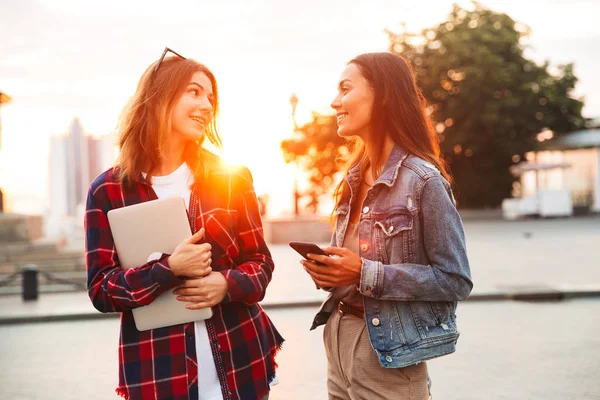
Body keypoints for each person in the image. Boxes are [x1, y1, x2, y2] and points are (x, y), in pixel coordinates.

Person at [85, 48, 283, 400]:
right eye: (194, 92)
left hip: (241, 366)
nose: (207, 105)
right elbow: (101, 289)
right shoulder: (107, 191)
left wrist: (226, 283)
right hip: (158, 375)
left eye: (211, 97)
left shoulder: (232, 178)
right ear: (158, 96)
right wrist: (168, 269)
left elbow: (261, 263)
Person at [301, 52, 473, 400]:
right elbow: (355, 267)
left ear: (382, 96)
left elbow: (455, 279)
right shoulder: (351, 177)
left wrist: (365, 273)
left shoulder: (423, 181)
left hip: (389, 352)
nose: (335, 102)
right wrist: (332, 272)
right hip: (338, 337)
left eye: (345, 89)